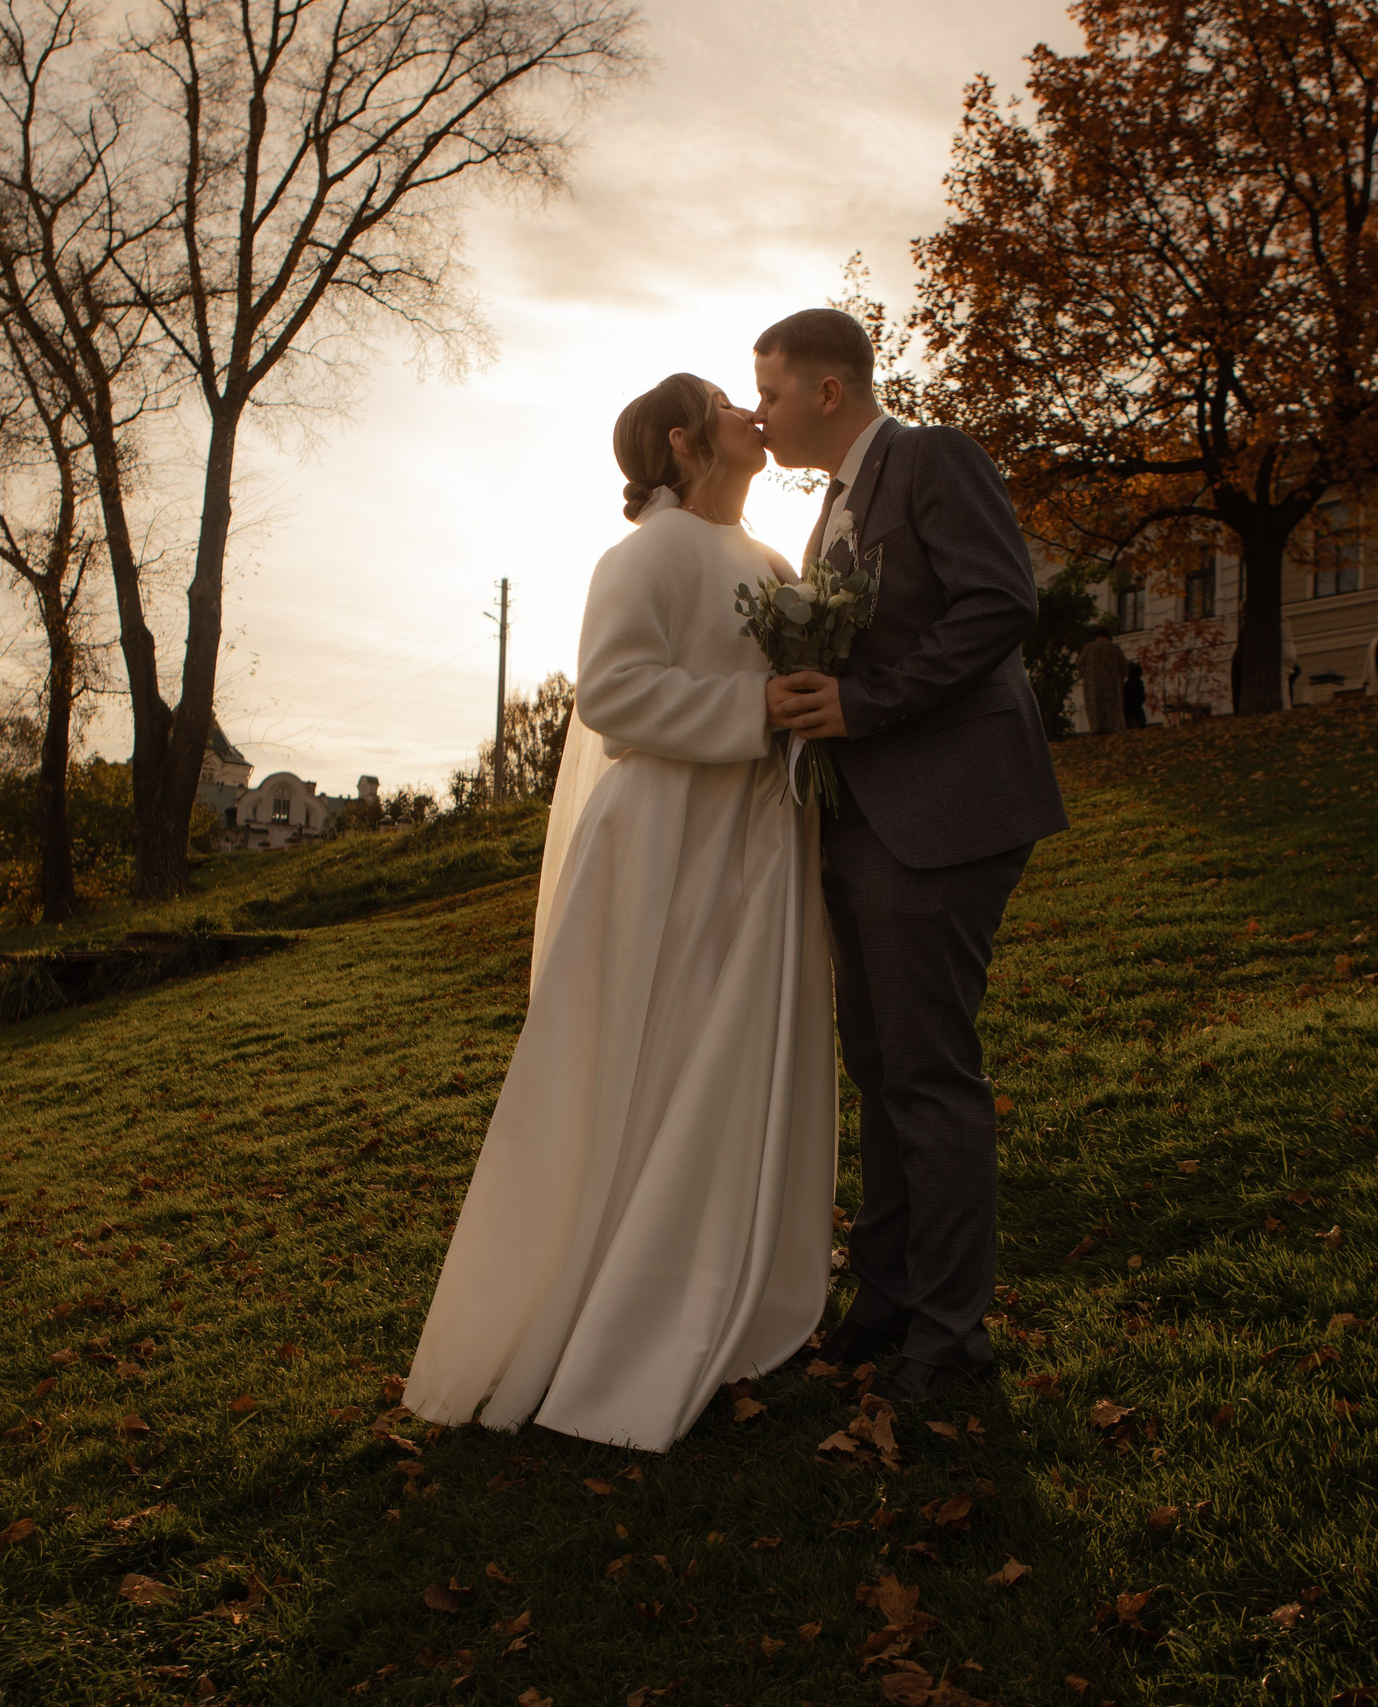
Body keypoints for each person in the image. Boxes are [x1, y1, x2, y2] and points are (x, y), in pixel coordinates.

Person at [403, 374, 835, 1453]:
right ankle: (609, 1309)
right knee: (650, 1055)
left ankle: (725, 1277)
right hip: (664, 843)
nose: (754, 412)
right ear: (686, 442)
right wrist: (752, 708)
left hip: (755, 838)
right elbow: (611, 691)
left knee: (734, 1052)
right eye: (731, 403)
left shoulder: (775, 563)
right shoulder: (643, 554)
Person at [758, 308, 1068, 1405]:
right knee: (878, 1070)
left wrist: (862, 702)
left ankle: (950, 1336)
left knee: (928, 1074)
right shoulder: (831, 508)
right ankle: (883, 1298)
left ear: (827, 391)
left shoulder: (931, 457)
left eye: (773, 390)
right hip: (859, 825)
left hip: (946, 816)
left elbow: (1000, 602)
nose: (761, 412)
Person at [1077, 622, 1128, 735]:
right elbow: (1124, 667)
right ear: (1108, 636)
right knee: (1112, 709)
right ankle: (1113, 730)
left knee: (1095, 709)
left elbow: (1080, 664)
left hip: (1093, 686)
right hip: (1112, 687)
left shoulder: (1089, 648)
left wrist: (1084, 676)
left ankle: (1096, 729)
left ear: (1096, 636)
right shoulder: (1115, 649)